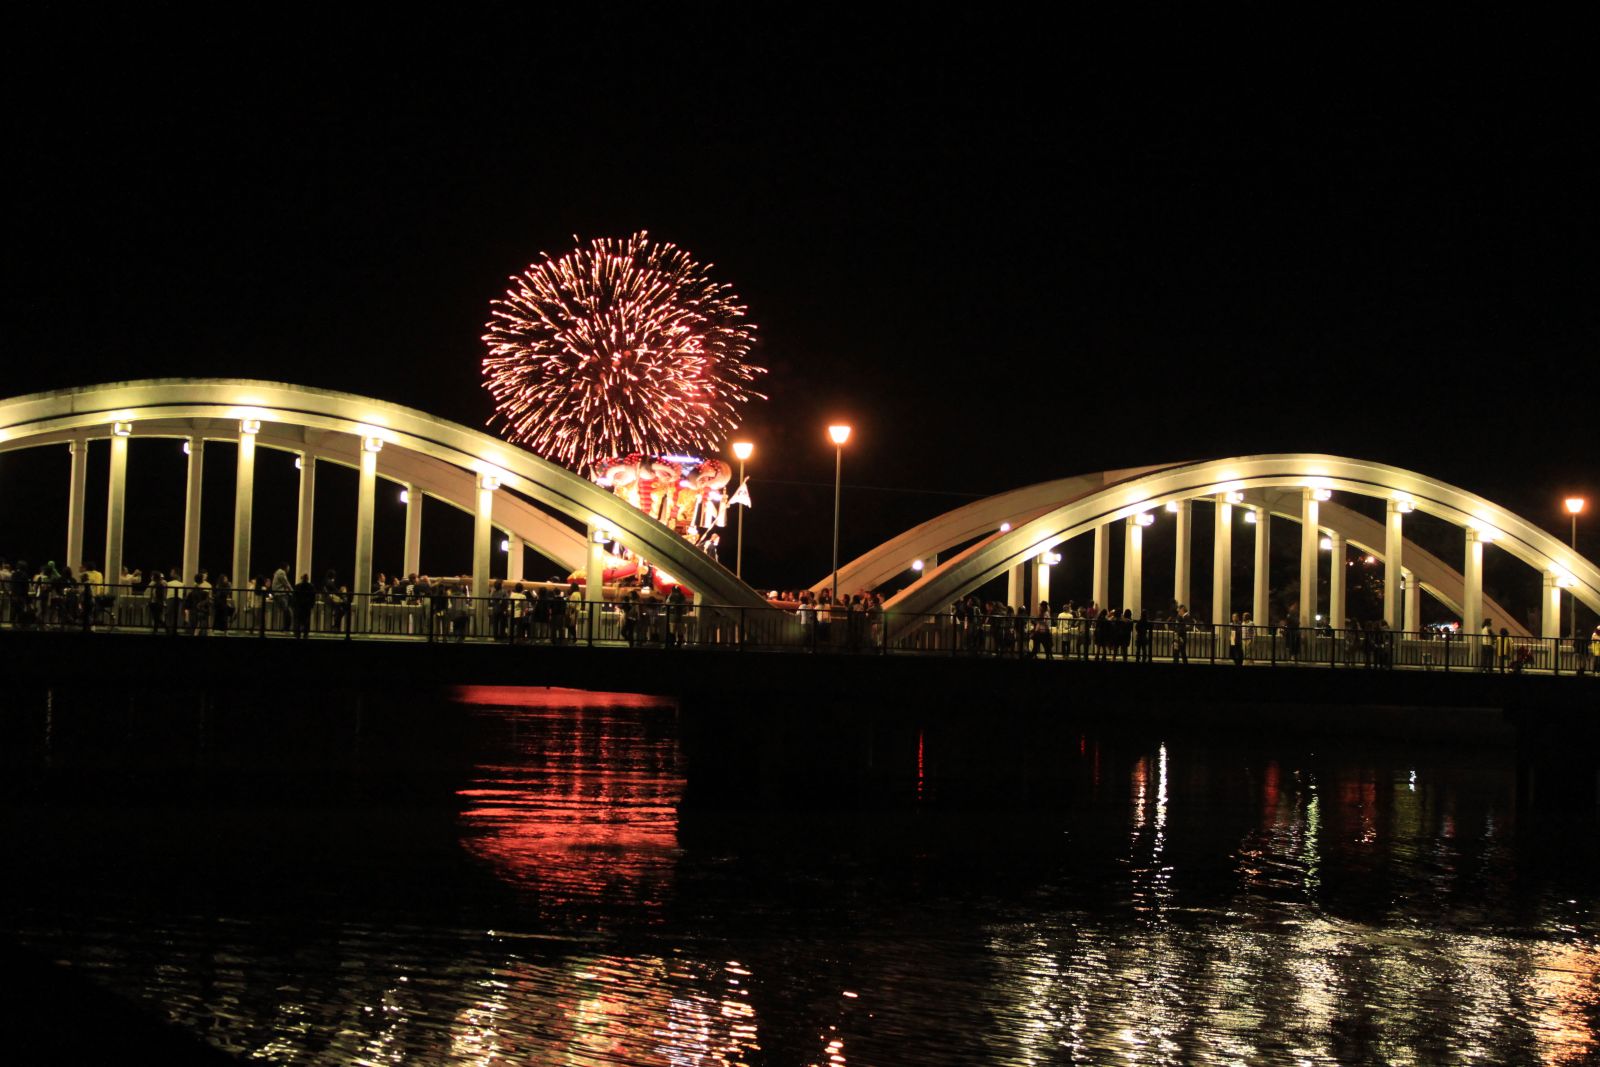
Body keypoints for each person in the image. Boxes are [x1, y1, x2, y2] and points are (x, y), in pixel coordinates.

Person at [292, 574, 317, 639]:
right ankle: (305, 634)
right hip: (307, 606)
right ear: (308, 579)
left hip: (299, 606)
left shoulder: (298, 586)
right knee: (306, 620)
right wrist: (311, 605)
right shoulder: (311, 587)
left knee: (298, 620)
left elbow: (294, 597)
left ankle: (298, 634)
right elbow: (313, 597)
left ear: (302, 578)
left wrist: (295, 605)